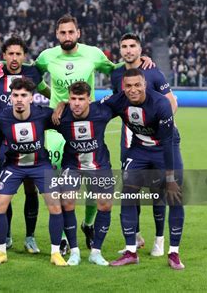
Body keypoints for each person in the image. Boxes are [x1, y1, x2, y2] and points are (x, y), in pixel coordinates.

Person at [34, 14, 153, 253]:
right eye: (62, 33)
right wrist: (52, 99)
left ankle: (88, 224)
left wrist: (140, 60)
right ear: (57, 35)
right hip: (60, 125)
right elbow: (33, 78)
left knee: (92, 180)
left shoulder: (93, 54)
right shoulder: (46, 57)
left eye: (71, 32)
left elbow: (116, 70)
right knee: (60, 181)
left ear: (78, 33)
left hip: (89, 122)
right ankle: (65, 238)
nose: (67, 36)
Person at [102, 69, 185, 270]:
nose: (133, 90)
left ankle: (173, 252)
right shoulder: (118, 100)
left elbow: (166, 142)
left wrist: (171, 178)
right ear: (123, 87)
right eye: (128, 86)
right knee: (128, 194)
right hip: (139, 149)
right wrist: (64, 106)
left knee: (174, 196)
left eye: (137, 85)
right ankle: (131, 251)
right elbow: (96, 110)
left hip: (164, 147)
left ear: (145, 85)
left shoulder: (160, 104)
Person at [111, 33, 179, 256]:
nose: (129, 50)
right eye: (124, 46)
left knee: (157, 190)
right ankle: (136, 236)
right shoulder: (116, 74)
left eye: (133, 46)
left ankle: (160, 240)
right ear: (120, 50)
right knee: (131, 188)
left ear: (140, 49)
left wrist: (158, 126)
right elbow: (119, 104)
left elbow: (171, 102)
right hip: (131, 138)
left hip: (158, 139)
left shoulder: (153, 72)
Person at [0, 77, 67, 267]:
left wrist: (62, 104)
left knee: (55, 205)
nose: (19, 99)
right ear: (11, 97)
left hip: (40, 165)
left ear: (32, 98)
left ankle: (56, 253)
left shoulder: (43, 115)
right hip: (13, 166)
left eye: (24, 95)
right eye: (15, 95)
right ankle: (1, 251)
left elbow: (67, 121)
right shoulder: (1, 117)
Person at [0, 36, 50, 253]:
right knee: (4, 191)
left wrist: (59, 102)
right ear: (4, 56)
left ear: (24, 56)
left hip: (30, 138)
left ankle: (30, 237)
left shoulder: (33, 73)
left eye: (18, 53)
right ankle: (7, 235)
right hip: (3, 141)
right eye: (10, 53)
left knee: (31, 188)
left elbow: (46, 89)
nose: (14, 58)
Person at [52, 82, 116, 266]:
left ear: (89, 99)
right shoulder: (61, 116)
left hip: (99, 165)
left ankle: (96, 252)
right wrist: (60, 105)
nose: (77, 103)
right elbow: (36, 117)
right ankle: (74, 252)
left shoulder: (102, 112)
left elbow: (122, 98)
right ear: (68, 99)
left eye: (81, 99)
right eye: (73, 99)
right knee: (67, 202)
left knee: (104, 205)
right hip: (73, 165)